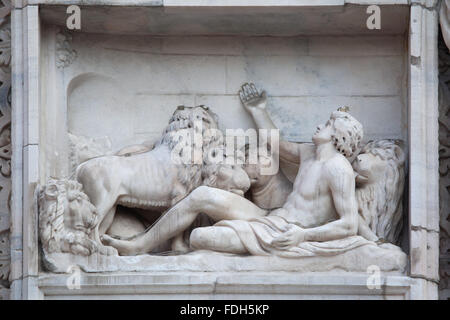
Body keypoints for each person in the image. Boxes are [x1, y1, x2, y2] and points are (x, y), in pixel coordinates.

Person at [101, 83, 366, 256]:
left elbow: (350, 223)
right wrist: (258, 110)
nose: (321, 126)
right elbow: (274, 142)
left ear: (339, 137)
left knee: (200, 237)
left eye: (329, 124)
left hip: (286, 234)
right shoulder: (309, 153)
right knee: (202, 194)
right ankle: (138, 245)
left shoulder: (338, 168)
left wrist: (302, 236)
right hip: (270, 218)